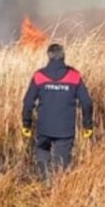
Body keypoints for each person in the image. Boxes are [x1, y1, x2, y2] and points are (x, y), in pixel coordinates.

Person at [21, 43, 93, 183]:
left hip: (43, 129)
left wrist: (26, 124)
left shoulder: (39, 76)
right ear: (63, 56)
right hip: (65, 131)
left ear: (48, 56)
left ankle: (46, 184)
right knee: (62, 166)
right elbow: (87, 102)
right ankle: (57, 191)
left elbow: (28, 102)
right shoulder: (74, 76)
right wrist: (87, 126)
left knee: (42, 156)